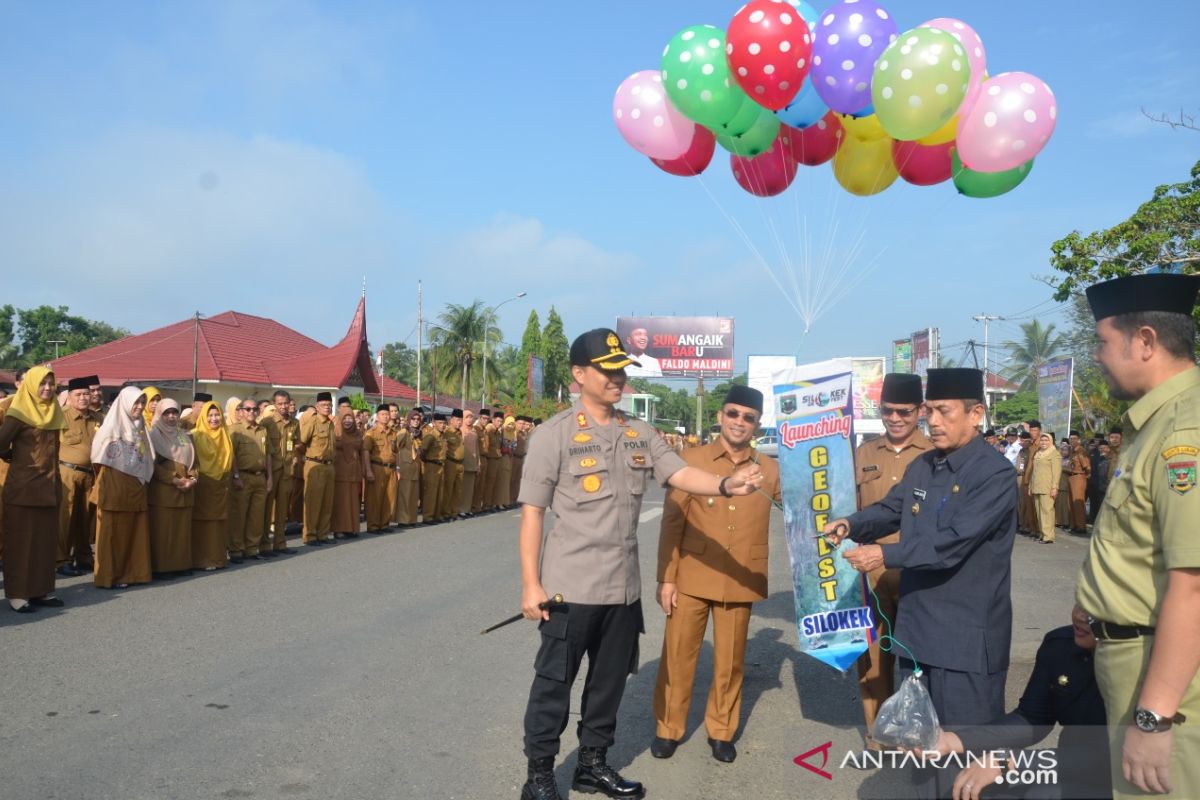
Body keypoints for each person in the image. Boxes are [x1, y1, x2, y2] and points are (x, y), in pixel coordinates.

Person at [515, 328, 764, 800]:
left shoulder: (639, 432)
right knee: (553, 688)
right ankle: (540, 776)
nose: (616, 378)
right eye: (607, 370)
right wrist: (531, 584)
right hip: (569, 591)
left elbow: (680, 473)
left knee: (607, 688)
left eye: (621, 369)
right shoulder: (554, 436)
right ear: (579, 374)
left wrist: (727, 485)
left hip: (622, 591)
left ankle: (592, 764)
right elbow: (533, 514)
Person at [822, 368, 1017, 799]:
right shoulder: (924, 465)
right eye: (930, 411)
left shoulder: (994, 473)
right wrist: (850, 523)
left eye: (944, 412)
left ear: (976, 413)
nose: (933, 421)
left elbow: (952, 543)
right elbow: (891, 509)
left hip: (966, 644)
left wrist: (883, 554)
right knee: (925, 760)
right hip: (919, 638)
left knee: (970, 764)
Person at [1075, 272, 1200, 798]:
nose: (1098, 356)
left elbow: (1192, 584)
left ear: (1145, 340)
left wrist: (1153, 718)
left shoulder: (1183, 434)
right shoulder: (1155, 423)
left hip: (1162, 676)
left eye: (1103, 342)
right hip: (1130, 656)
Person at [651, 385, 782, 763]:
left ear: (758, 425)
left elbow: (800, 513)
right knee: (677, 656)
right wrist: (667, 577)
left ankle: (721, 731)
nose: (739, 422)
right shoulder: (690, 459)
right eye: (733, 413)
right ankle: (668, 728)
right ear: (721, 415)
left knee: (730, 661)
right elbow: (672, 523)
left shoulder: (770, 470)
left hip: (741, 578)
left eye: (748, 417)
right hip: (692, 574)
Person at [919, 605, 1110, 800]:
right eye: (1080, 603)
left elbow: (1109, 759)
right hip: (1071, 770)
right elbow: (1032, 719)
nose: (1079, 616)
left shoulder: (1138, 670)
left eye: (1095, 609)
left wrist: (1009, 761)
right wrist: (951, 741)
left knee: (1040, 795)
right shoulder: (1060, 646)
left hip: (1122, 780)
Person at [848, 373, 932, 753]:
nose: (895, 418)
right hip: (872, 569)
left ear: (920, 411)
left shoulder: (934, 452)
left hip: (920, 569)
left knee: (920, 654)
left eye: (905, 411)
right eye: (888, 410)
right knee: (873, 655)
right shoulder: (864, 452)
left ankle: (918, 728)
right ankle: (877, 733)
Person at [0, 365, 66, 612]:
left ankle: (40, 590)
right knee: (20, 543)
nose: (47, 388)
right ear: (30, 385)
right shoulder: (18, 412)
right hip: (24, 488)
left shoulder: (54, 411)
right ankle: (18, 593)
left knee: (44, 542)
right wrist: (12, 457)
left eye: (51, 384)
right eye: (42, 383)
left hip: (49, 488)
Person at [91, 386, 154, 590]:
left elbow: (147, 455)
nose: (140, 406)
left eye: (142, 402)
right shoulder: (112, 426)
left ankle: (133, 573)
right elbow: (98, 457)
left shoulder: (140, 426)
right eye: (136, 402)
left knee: (133, 532)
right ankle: (110, 576)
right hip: (115, 485)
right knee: (113, 533)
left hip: (136, 486)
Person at [147, 398, 197, 577]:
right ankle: (162, 568)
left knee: (181, 531)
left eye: (174, 412)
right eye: (166, 413)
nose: (171, 416)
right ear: (159, 414)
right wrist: (173, 480)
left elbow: (194, 461)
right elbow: (152, 465)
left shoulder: (183, 434)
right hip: (164, 491)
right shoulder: (153, 435)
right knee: (164, 531)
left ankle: (181, 565)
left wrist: (192, 478)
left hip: (185, 489)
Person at [57, 375, 100, 577]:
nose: (83, 397)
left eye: (86, 393)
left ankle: (83, 557)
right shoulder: (61, 416)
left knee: (86, 518)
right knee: (66, 518)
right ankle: (61, 559)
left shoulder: (97, 418)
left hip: (90, 475)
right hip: (68, 473)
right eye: (78, 394)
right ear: (70, 396)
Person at [227, 398, 272, 561]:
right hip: (243, 477)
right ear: (241, 411)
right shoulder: (235, 430)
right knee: (239, 515)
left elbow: (268, 455)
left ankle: (252, 549)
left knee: (256, 516)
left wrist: (270, 478)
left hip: (260, 477)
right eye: (248, 409)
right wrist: (236, 476)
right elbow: (231, 456)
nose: (252, 412)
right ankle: (236, 549)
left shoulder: (262, 430)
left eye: (254, 409)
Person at [190, 400, 232, 571]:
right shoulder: (195, 435)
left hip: (221, 483)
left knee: (219, 522)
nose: (214, 419)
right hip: (203, 483)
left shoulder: (225, 434)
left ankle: (218, 558)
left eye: (217, 415)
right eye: (210, 415)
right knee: (203, 523)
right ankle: (201, 560)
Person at [261, 391, 298, 554]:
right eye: (280, 403)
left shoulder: (294, 423)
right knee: (267, 509)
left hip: (287, 470)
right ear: (274, 404)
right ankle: (263, 545)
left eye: (286, 403)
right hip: (272, 470)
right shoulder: (267, 422)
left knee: (283, 509)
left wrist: (296, 458)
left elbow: (295, 443)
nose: (283, 406)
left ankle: (280, 543)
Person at [300, 392, 336, 545]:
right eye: (324, 405)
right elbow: (301, 442)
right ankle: (310, 535)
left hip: (329, 466)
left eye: (329, 405)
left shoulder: (331, 423)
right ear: (317, 406)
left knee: (326, 502)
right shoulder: (312, 422)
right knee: (313, 502)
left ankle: (322, 534)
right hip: (314, 465)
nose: (327, 408)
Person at [332, 406, 370, 538]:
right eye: (345, 418)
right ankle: (339, 529)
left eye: (350, 418)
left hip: (354, 471)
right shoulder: (335, 431)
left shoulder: (357, 433)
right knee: (341, 501)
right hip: (340, 471)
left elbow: (362, 450)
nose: (347, 421)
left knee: (353, 501)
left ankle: (352, 528)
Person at [363, 403, 397, 533]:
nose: (385, 417)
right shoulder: (371, 433)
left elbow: (396, 452)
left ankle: (384, 524)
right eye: (383, 414)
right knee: (375, 498)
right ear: (377, 416)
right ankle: (373, 525)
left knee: (390, 497)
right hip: (377, 467)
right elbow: (366, 452)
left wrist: (397, 468)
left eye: (387, 414)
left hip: (391, 468)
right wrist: (368, 470)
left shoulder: (393, 433)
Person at [1029, 433, 1062, 545]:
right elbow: (1034, 472)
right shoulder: (1038, 453)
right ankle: (1042, 534)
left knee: (1047, 511)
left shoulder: (1054, 454)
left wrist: (1055, 487)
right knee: (1039, 512)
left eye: (1046, 440)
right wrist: (1030, 486)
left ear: (1051, 441)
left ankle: (1048, 536)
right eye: (1042, 440)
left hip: (1048, 487)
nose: (1043, 442)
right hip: (1037, 486)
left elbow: (1056, 473)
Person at [394, 409, 420, 528]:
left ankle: (411, 519)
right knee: (404, 495)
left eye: (418, 419)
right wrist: (397, 466)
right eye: (413, 419)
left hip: (414, 467)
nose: (416, 421)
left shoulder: (417, 434)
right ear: (409, 420)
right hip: (405, 467)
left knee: (413, 495)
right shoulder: (404, 432)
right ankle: (403, 520)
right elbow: (395, 447)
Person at [419, 413, 446, 524]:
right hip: (432, 465)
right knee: (431, 492)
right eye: (440, 423)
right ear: (434, 423)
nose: (442, 425)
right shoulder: (431, 436)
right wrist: (427, 461)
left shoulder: (442, 436)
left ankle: (436, 515)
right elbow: (422, 450)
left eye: (444, 423)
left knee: (439, 492)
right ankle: (428, 517)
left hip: (441, 465)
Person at [439, 409, 465, 521]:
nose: (460, 422)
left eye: (461, 420)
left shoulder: (460, 432)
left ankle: (455, 512)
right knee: (448, 489)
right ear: (452, 420)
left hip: (460, 464)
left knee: (458, 490)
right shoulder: (446, 433)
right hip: (450, 463)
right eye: (457, 420)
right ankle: (446, 513)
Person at [1065, 440, 1091, 533]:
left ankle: (1081, 526)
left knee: (1078, 503)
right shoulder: (1072, 452)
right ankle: (1074, 525)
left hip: (1078, 477)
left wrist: (1084, 476)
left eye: (1074, 439)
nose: (1072, 441)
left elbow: (1087, 468)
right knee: (1071, 503)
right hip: (1071, 477)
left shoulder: (1081, 452)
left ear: (1079, 440)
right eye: (1070, 439)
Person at [1088, 441, 1113, 524]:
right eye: (1100, 448)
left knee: (1102, 506)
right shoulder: (1095, 457)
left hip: (1105, 486)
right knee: (1093, 504)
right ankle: (1092, 520)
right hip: (1094, 484)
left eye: (1104, 448)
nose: (1102, 450)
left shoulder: (1111, 459)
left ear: (1108, 448)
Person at [461, 408, 480, 518]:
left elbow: (477, 449)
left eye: (471, 417)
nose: (469, 420)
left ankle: (467, 508)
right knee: (462, 487)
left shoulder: (474, 431)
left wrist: (478, 463)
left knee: (470, 488)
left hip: (472, 463)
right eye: (467, 417)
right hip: (463, 462)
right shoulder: (461, 430)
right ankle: (461, 508)